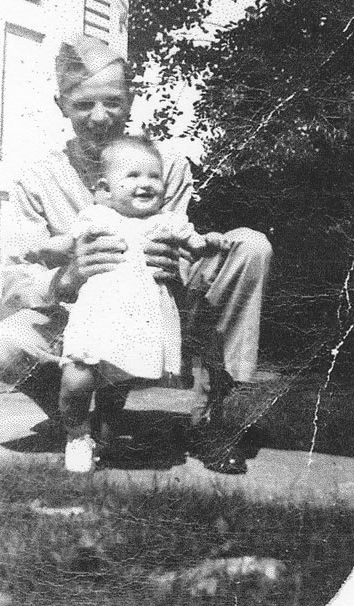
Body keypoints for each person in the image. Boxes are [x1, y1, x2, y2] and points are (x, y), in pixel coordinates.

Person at [0, 34, 273, 473]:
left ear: (130, 101)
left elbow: (183, 241)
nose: (100, 118)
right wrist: (68, 277)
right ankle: (77, 420)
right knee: (4, 344)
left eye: (113, 103)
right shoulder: (37, 179)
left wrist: (177, 261)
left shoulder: (164, 165)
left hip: (157, 305)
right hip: (80, 315)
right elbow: (14, 280)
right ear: (62, 105)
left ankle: (213, 421)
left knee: (251, 245)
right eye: (84, 105)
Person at [45, 135, 230, 472]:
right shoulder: (97, 216)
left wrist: (209, 242)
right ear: (105, 188)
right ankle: (76, 434)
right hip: (96, 315)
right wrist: (48, 250)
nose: (145, 184)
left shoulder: (166, 221)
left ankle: (105, 434)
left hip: (138, 322)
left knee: (117, 384)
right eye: (132, 176)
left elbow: (195, 243)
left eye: (153, 177)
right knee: (78, 377)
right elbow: (67, 242)